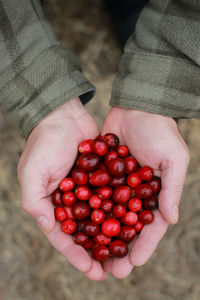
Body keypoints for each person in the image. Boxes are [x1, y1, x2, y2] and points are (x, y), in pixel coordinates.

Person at [2, 0, 198, 281]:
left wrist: (171, 57)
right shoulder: (112, 194)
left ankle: (131, 9)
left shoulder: (108, 194)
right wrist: (42, 101)